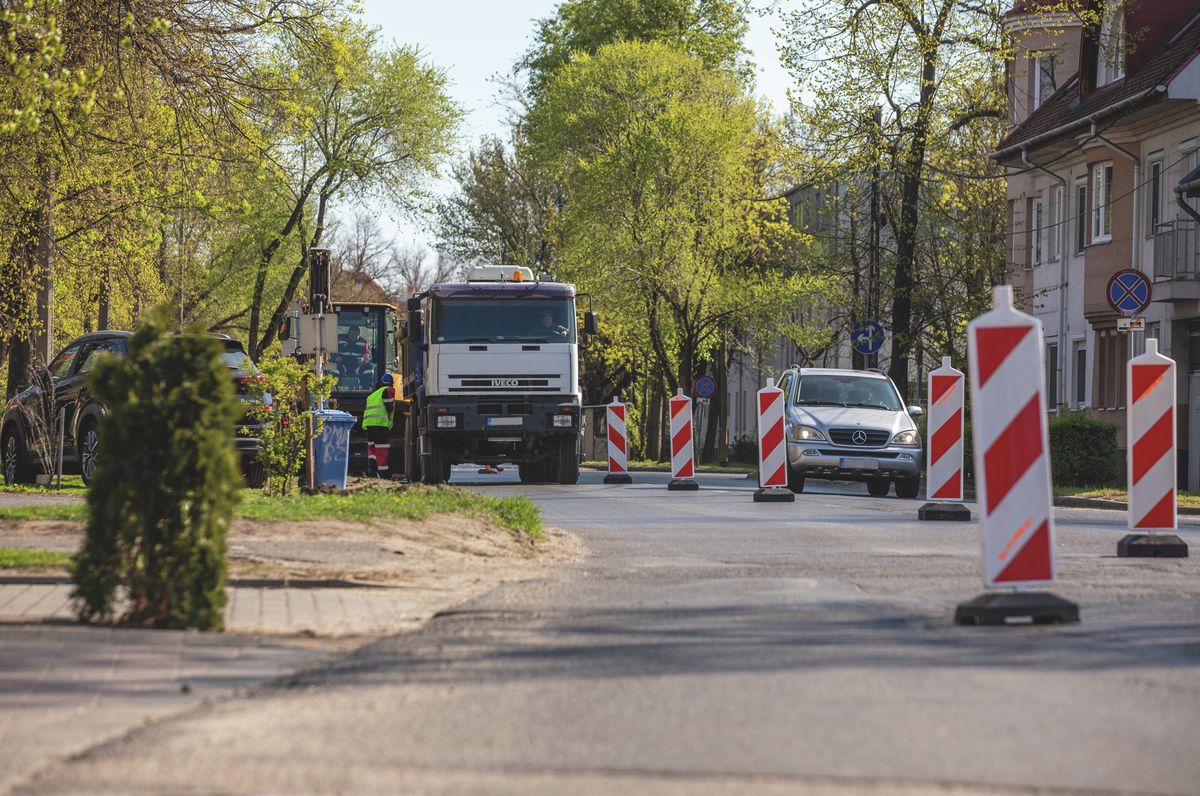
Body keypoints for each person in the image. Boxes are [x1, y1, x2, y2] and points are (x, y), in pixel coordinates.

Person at [362, 373, 396, 478]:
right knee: (381, 448)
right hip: (380, 424)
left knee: (371, 448)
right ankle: (383, 473)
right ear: (391, 383)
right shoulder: (389, 390)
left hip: (369, 425)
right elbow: (389, 406)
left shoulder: (372, 395)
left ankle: (372, 471)